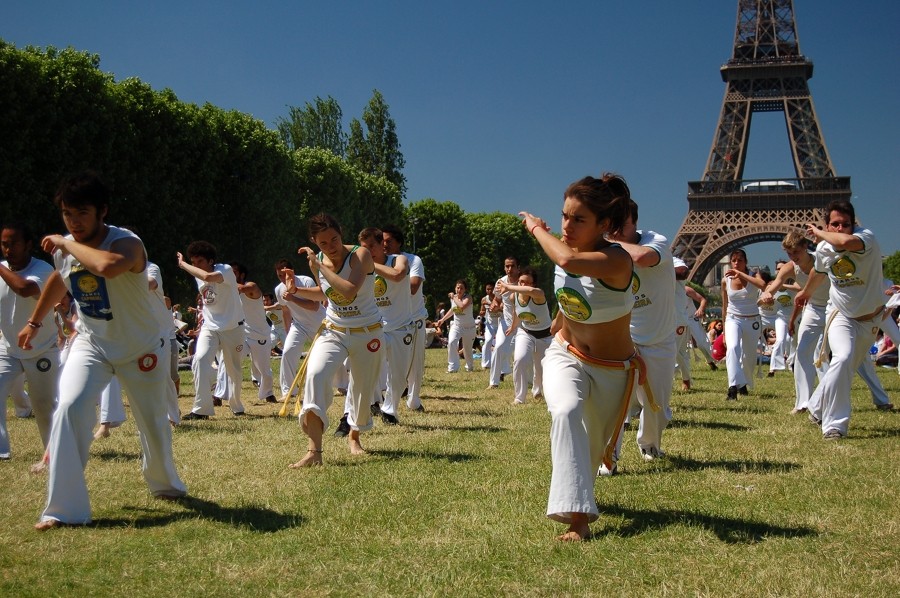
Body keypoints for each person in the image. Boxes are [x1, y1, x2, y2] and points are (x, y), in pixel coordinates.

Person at [19, 171, 186, 530]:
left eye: (81, 213)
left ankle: (164, 484)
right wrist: (34, 322)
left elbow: (107, 267)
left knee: (153, 423)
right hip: (91, 344)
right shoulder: (67, 246)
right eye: (67, 214)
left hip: (141, 347)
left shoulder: (127, 243)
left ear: (102, 211)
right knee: (70, 408)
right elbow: (57, 280)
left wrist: (65, 244)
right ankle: (62, 509)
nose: (73, 222)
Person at [520, 173, 645, 542]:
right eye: (564, 216)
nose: (567, 226)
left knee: (591, 451)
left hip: (610, 370)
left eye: (578, 219)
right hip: (566, 353)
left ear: (604, 225)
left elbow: (570, 261)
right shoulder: (564, 249)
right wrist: (550, 332)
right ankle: (578, 520)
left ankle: (580, 500)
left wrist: (535, 228)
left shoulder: (617, 259)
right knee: (565, 411)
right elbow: (570, 303)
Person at [288, 213, 383, 467]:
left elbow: (349, 291)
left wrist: (319, 266)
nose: (331, 247)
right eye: (323, 244)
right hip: (334, 330)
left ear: (342, 233)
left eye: (334, 240)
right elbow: (326, 292)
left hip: (368, 331)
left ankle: (354, 436)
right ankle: (314, 451)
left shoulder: (361, 255)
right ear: (314, 242)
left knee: (362, 390)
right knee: (315, 376)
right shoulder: (317, 261)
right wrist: (296, 290)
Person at [796, 199, 886, 439]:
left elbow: (845, 242)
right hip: (840, 314)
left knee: (844, 367)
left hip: (870, 318)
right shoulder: (825, 249)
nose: (839, 228)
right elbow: (820, 271)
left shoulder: (865, 238)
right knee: (843, 357)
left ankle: (815, 407)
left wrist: (818, 232)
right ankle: (834, 425)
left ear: (853, 225)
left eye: (845, 224)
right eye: (834, 224)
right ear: (828, 224)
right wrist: (806, 292)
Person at [607, 199, 675, 465]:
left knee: (657, 405)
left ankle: (649, 445)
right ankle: (607, 455)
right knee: (613, 403)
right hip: (625, 336)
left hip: (660, 338)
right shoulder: (611, 249)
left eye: (619, 227)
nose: (614, 233)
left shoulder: (656, 240)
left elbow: (642, 258)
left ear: (635, 223)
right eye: (610, 227)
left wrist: (608, 243)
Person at [0, 222, 59, 461]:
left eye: (13, 243)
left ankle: (53, 454)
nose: (8, 249)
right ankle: (2, 451)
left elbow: (24, 289)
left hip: (42, 349)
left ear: (28, 245)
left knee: (44, 407)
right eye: (4, 244)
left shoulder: (43, 269)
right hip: (8, 349)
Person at [758, 231, 828, 414]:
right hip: (812, 308)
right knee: (802, 353)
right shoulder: (789, 267)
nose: (793, 257)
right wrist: (767, 294)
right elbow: (776, 284)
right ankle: (803, 403)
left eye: (796, 252)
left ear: (806, 247)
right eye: (789, 254)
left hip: (832, 307)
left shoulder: (821, 259)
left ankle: (825, 398)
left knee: (821, 356)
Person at [177, 241, 246, 419]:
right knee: (199, 360)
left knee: (234, 371)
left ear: (211, 261)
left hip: (233, 328)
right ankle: (202, 410)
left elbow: (208, 278)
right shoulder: (197, 274)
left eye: (199, 261)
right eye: (192, 262)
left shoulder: (225, 270)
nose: (195, 266)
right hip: (211, 327)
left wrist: (183, 265)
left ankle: (236, 404)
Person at [357, 227, 412, 425]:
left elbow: (397, 275)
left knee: (399, 377)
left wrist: (370, 265)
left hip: (401, 328)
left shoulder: (399, 260)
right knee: (365, 367)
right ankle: (374, 403)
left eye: (371, 246)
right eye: (364, 247)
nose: (368, 251)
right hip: (374, 327)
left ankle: (390, 408)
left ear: (382, 245)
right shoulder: (362, 269)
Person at [382, 224, 428, 412]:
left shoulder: (412, 260)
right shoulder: (375, 263)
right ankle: (378, 401)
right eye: (381, 241)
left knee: (415, 363)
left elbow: (413, 287)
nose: (384, 245)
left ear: (399, 243)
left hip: (413, 319)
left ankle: (413, 400)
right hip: (384, 321)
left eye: (389, 241)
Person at [497, 266, 552, 405]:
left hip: (545, 335)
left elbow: (530, 291)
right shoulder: (513, 295)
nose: (523, 285)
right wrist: (514, 326)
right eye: (521, 281)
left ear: (534, 284)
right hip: (525, 332)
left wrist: (508, 286)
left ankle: (538, 390)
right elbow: (517, 311)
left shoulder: (538, 294)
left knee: (541, 366)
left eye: (527, 282)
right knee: (520, 359)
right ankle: (519, 397)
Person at [274, 258, 326, 403]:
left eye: (285, 275)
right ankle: (288, 391)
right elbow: (285, 311)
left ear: (292, 272)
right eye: (279, 276)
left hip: (320, 324)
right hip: (299, 326)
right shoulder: (279, 290)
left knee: (329, 355)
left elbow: (314, 306)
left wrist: (293, 298)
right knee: (288, 352)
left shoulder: (306, 281)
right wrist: (287, 331)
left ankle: (342, 385)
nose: (283, 279)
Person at [721, 249, 765, 400]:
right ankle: (732, 387)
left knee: (749, 357)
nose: (736, 263)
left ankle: (743, 383)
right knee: (732, 348)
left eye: (740, 260)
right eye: (733, 260)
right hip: (733, 318)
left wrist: (742, 275)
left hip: (752, 320)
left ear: (746, 262)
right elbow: (724, 305)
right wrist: (724, 332)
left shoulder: (754, 275)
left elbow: (762, 285)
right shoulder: (725, 280)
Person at [488, 257, 520, 388]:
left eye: (512, 266)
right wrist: (494, 305)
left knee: (522, 355)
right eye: (507, 266)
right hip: (506, 322)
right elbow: (497, 299)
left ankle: (529, 381)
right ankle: (493, 383)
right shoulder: (500, 282)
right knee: (498, 348)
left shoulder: (523, 281)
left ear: (518, 267)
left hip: (523, 325)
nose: (509, 269)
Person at [435, 280, 476, 373]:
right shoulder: (454, 298)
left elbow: (461, 306)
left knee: (467, 349)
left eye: (461, 288)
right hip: (457, 326)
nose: (459, 290)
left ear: (465, 289)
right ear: (455, 288)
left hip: (469, 328)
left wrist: (453, 297)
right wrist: (442, 319)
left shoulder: (468, 298)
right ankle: (452, 368)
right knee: (452, 342)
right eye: (457, 287)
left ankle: (469, 367)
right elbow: (453, 310)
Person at [480, 282, 500, 370]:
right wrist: (482, 312)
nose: (490, 291)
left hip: (500, 324)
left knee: (499, 344)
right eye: (487, 289)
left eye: (491, 289)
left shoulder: (499, 298)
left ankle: (499, 362)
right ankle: (486, 364)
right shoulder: (484, 299)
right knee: (487, 341)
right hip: (490, 324)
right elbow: (482, 312)